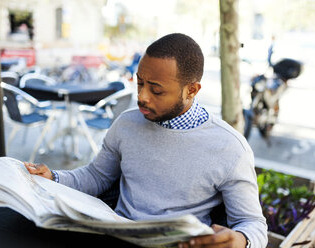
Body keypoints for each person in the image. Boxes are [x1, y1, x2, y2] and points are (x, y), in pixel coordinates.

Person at [25, 33, 268, 248]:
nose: (142, 97)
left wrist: (241, 240)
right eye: (139, 83)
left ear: (192, 90)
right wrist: (54, 178)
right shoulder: (126, 124)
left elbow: (253, 224)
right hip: (113, 235)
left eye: (156, 90)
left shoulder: (230, 148)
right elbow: (96, 177)